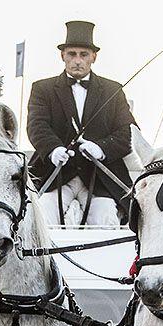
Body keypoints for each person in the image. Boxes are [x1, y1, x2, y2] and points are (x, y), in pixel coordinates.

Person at [28, 20, 136, 227]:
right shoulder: (42, 89)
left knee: (106, 219)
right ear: (63, 56)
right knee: (43, 217)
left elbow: (128, 133)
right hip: (55, 176)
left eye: (84, 54)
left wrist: (101, 148)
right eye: (72, 54)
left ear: (94, 57)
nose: (77, 60)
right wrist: (53, 149)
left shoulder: (113, 90)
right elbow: (36, 126)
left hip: (100, 179)